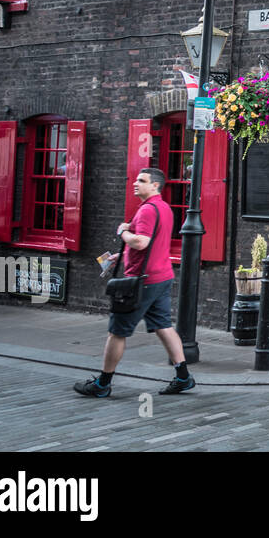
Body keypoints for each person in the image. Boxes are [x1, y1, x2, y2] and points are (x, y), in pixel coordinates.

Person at [74, 167, 196, 397]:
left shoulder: (148, 211)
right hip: (161, 277)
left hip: (143, 282)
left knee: (117, 332)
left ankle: (102, 384)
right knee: (164, 326)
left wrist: (122, 233)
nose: (135, 183)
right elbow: (153, 245)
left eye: (142, 180)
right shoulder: (164, 208)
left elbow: (141, 243)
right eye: (136, 180)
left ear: (155, 186)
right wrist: (122, 255)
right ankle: (183, 377)